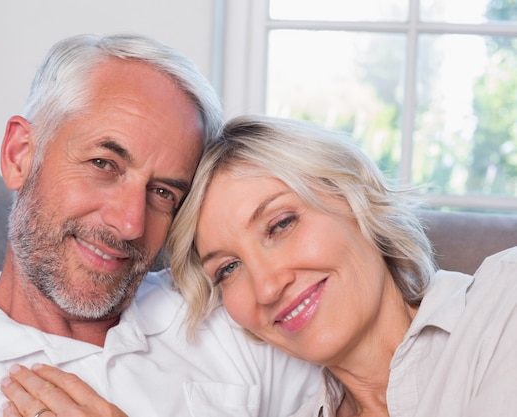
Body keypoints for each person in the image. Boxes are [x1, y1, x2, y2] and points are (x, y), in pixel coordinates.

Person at [0, 35, 320, 417]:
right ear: (20, 155)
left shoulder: (233, 318)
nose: (130, 223)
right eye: (103, 164)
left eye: (163, 193)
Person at [165, 114, 517, 416]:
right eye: (228, 268)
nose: (267, 288)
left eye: (281, 224)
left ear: (354, 197)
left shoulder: (503, 305)